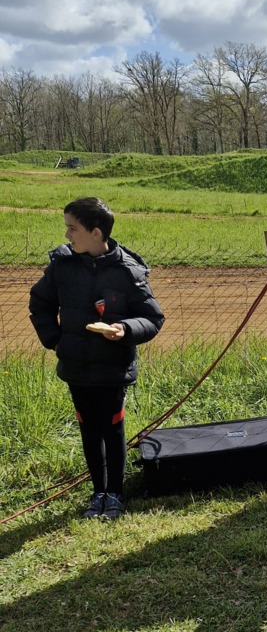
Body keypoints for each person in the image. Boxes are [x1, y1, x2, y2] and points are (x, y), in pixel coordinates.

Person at [28, 197, 165, 520]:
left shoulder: (127, 271)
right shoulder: (62, 265)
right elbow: (40, 303)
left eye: (72, 228)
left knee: (113, 430)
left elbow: (152, 318)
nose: (67, 235)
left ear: (96, 232)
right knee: (88, 429)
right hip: (75, 367)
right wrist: (56, 341)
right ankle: (98, 492)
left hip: (113, 368)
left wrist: (125, 329)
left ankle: (115, 493)